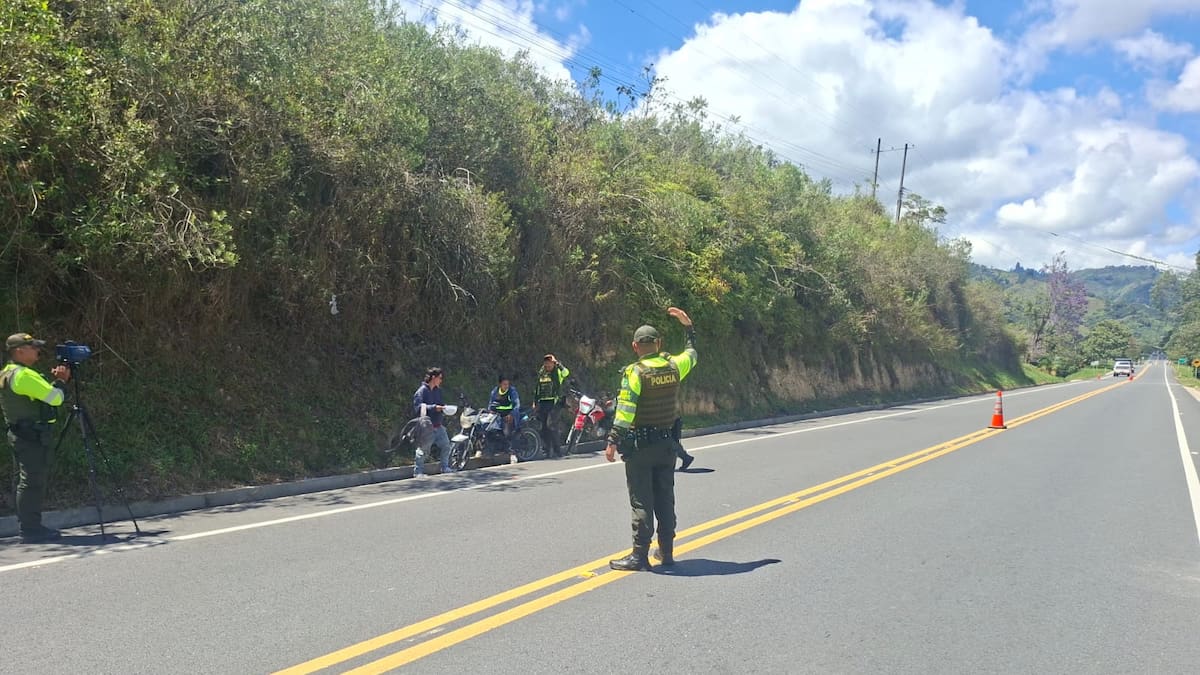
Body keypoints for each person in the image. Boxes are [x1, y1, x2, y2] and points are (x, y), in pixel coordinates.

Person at [606, 308, 697, 571]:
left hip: (640, 447)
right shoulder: (674, 365)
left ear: (635, 346)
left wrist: (613, 439)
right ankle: (666, 553)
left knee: (641, 500)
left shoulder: (635, 372)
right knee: (665, 498)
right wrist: (688, 327)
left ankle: (639, 556)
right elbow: (692, 353)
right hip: (667, 445)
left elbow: (625, 411)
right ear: (659, 344)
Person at [1, 333, 71, 543]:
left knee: (26, 480)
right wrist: (61, 381)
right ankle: (31, 529)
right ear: (19, 351)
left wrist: (53, 382)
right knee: (32, 482)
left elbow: (37, 396)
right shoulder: (23, 375)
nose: (37, 351)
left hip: (21, 434)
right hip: (31, 437)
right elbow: (55, 398)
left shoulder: (8, 372)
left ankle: (29, 526)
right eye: (33, 347)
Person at [411, 367, 452, 476]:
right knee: (423, 450)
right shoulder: (421, 391)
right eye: (440, 378)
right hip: (426, 427)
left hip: (438, 425)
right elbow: (418, 407)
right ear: (433, 377)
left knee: (446, 445)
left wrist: (444, 408)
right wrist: (434, 407)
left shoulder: (438, 391)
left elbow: (440, 404)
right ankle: (418, 472)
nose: (441, 380)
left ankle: (445, 467)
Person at [532, 354, 570, 457]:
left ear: (553, 364)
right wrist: (535, 402)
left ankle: (558, 450)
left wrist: (558, 363)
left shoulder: (557, 372)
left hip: (554, 403)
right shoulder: (542, 373)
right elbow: (537, 389)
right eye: (546, 365)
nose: (548, 367)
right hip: (543, 402)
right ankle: (547, 450)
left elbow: (566, 372)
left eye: (550, 365)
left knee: (551, 425)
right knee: (543, 427)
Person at [488, 375, 521, 464]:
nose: (506, 386)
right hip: (497, 416)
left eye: (507, 384)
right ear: (500, 384)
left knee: (507, 432)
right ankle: (489, 452)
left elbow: (516, 404)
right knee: (488, 429)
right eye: (504, 384)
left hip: (509, 415)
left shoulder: (512, 391)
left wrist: (511, 414)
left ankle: (512, 454)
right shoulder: (494, 392)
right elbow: (491, 404)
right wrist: (490, 412)